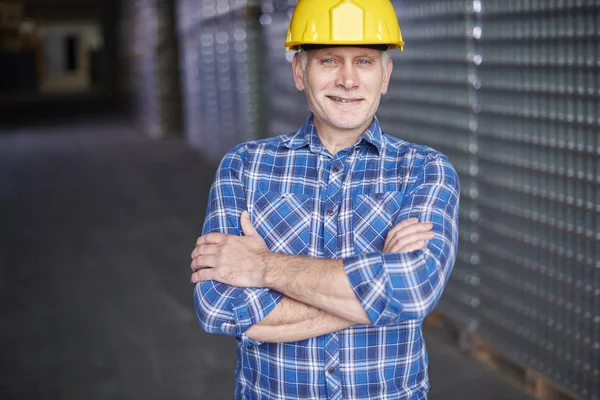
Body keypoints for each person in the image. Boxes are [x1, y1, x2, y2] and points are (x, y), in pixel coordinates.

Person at [190, 0, 460, 398]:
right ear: (300, 71)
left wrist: (262, 266)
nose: (348, 80)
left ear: (386, 76)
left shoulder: (425, 170)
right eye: (330, 60)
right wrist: (375, 291)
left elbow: (413, 292)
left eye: (365, 62)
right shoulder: (245, 166)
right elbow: (218, 307)